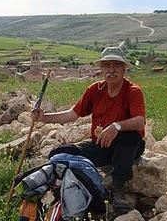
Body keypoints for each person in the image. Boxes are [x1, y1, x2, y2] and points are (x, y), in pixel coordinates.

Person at [33, 47, 146, 216]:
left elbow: (139, 121)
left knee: (129, 137)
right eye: (107, 65)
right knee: (61, 152)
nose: (111, 70)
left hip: (128, 147)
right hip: (101, 146)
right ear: (101, 69)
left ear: (124, 69)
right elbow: (73, 114)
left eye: (116, 65)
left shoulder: (132, 91)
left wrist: (116, 126)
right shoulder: (95, 90)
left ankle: (118, 190)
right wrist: (43, 118)